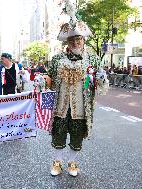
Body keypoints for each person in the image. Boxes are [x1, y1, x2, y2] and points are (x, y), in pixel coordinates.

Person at [46, 1, 108, 177]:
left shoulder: (93, 60)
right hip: (61, 106)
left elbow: (101, 82)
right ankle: (57, 162)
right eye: (72, 39)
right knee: (58, 133)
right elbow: (49, 79)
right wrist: (42, 82)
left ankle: (72, 162)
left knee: (76, 134)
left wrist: (102, 78)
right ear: (67, 41)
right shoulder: (57, 59)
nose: (75, 42)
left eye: (78, 39)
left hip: (81, 107)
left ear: (84, 40)